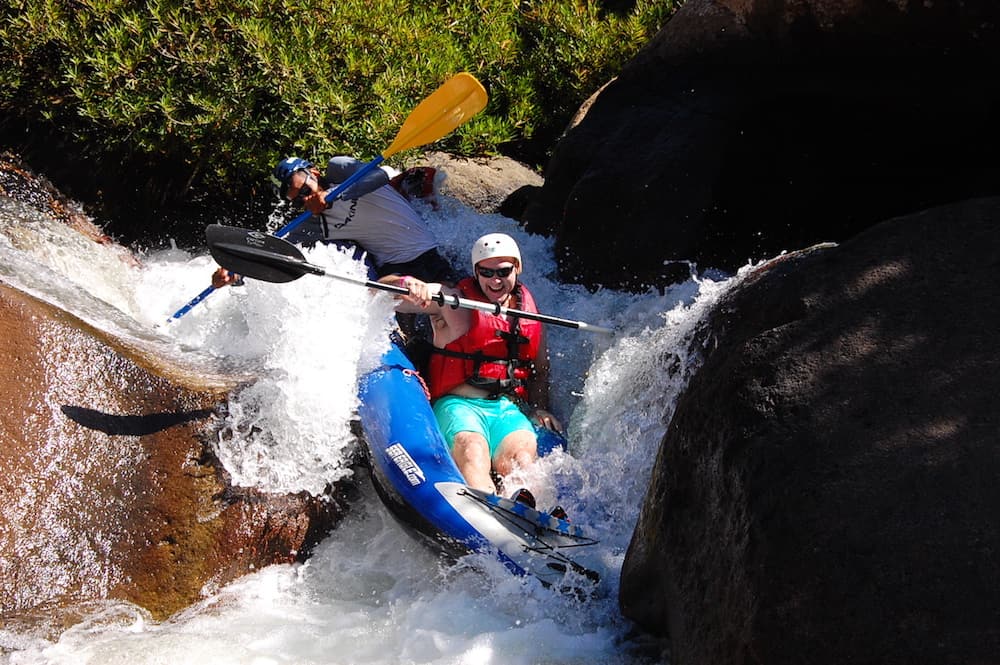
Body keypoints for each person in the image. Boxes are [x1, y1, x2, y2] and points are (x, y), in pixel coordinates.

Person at [397, 233, 564, 511]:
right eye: (486, 272)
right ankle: (490, 509)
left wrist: (538, 408)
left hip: (504, 408)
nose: (495, 280)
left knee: (523, 457)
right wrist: (407, 285)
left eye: (503, 271)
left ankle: (530, 515)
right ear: (476, 272)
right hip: (457, 405)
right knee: (473, 450)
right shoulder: (454, 301)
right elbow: (392, 296)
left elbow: (540, 372)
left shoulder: (529, 313)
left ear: (517, 269)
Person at [212, 156, 457, 291]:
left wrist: (334, 195)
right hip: (393, 271)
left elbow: (381, 175)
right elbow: (276, 249)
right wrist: (236, 271)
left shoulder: (340, 169)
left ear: (314, 172)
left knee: (457, 295)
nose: (302, 198)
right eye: (296, 199)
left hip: (429, 254)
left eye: (302, 189)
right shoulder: (314, 222)